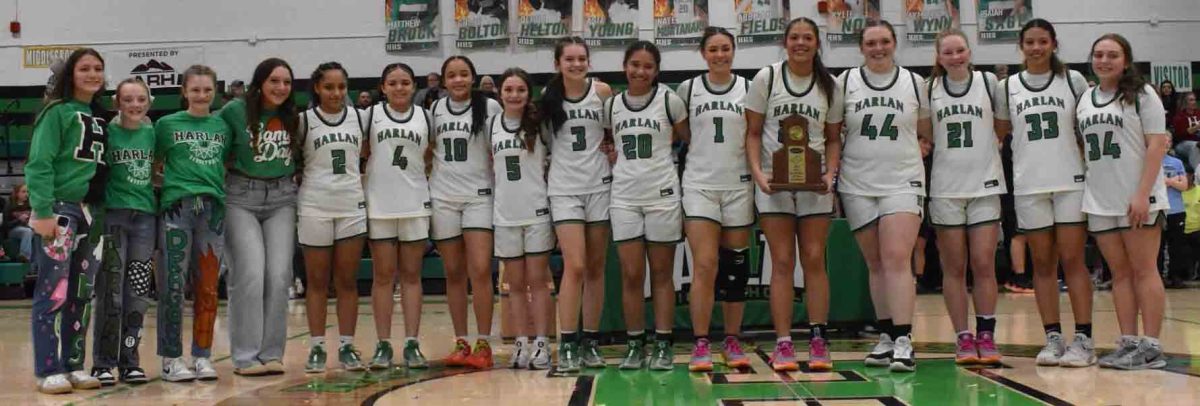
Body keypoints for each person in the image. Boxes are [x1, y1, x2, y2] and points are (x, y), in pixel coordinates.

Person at [994, 18, 1096, 367]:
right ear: (1021, 47)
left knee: (1073, 260)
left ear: (1054, 43)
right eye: (1030, 42)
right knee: (1042, 263)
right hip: (1029, 184)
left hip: (1069, 181)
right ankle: (1052, 336)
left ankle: (1084, 337)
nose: (1036, 48)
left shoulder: (1073, 80)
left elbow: (1088, 128)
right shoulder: (1007, 87)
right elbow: (1000, 133)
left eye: (1042, 42)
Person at [743, 18, 843, 372]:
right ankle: (784, 342)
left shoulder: (829, 85)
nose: (801, 43)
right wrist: (758, 173)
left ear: (817, 43)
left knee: (815, 259)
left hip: (814, 186)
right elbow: (753, 133)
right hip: (775, 185)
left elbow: (832, 138)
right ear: (785, 42)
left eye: (808, 38)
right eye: (794, 37)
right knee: (782, 262)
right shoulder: (766, 78)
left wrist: (830, 174)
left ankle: (818, 338)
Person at [834, 20, 928, 373]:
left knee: (895, 258)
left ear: (894, 43)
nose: (878, 48)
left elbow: (927, 129)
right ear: (861, 47)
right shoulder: (845, 83)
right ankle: (887, 336)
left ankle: (904, 339)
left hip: (902, 181)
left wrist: (921, 147)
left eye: (885, 41)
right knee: (875, 263)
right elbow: (832, 131)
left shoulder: (914, 83)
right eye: (871, 43)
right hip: (857, 182)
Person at [1079, 33, 1170, 370]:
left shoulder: (1142, 95)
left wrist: (1142, 193)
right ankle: (1129, 342)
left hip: (1137, 198)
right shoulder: (1086, 98)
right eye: (1099, 54)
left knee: (1144, 270)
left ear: (1126, 60)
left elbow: (1157, 145)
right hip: (1101, 199)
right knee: (1119, 274)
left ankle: (1152, 346)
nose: (1104, 60)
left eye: (1112, 55)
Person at [26, 48, 108, 394]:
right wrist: (42, 212)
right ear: (70, 75)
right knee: (53, 291)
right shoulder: (56, 112)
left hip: (92, 212)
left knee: (81, 292)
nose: (92, 74)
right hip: (59, 210)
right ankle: (48, 369)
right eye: (84, 68)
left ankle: (73, 364)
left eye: (98, 69)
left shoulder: (100, 116)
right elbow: (39, 163)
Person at [605, 41, 688, 371]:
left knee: (663, 274)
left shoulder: (670, 100)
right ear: (625, 66)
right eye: (634, 64)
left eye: (647, 66)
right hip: (624, 195)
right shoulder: (610, 105)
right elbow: (608, 141)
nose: (640, 71)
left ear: (656, 71)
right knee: (631, 274)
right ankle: (634, 343)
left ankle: (663, 343)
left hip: (661, 194)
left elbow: (686, 137)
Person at [924, 29, 1005, 365]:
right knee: (953, 267)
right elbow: (925, 135)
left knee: (984, 263)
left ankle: (986, 333)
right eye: (948, 52)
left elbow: (1001, 128)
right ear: (939, 57)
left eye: (960, 50)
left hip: (985, 184)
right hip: (945, 187)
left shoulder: (989, 83)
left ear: (969, 52)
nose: (955, 57)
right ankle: (962, 336)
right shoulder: (929, 89)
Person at [679, 27, 755, 373]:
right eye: (713, 49)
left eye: (725, 48)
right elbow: (683, 136)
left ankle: (732, 339)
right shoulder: (689, 89)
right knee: (706, 265)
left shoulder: (749, 89)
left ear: (734, 51)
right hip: (700, 185)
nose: (720, 54)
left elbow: (756, 134)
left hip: (738, 185)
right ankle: (700, 342)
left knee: (736, 268)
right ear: (703, 53)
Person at [218, 58, 299, 377]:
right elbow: (215, 148)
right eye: (274, 81)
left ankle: (272, 353)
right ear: (260, 82)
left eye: (287, 82)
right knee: (250, 274)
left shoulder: (292, 116)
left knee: (279, 276)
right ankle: (245, 355)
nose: (281, 87)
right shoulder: (234, 112)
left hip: (282, 197)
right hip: (240, 196)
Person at [539, 36, 613, 372]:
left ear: (589, 61)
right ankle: (567, 341)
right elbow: (539, 142)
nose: (576, 64)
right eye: (569, 59)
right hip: (565, 188)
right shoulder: (547, 97)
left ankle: (591, 341)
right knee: (576, 266)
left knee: (596, 268)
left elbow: (613, 135)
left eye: (581, 58)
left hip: (599, 186)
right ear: (557, 64)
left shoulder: (602, 93)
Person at [155, 64, 232, 382]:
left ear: (214, 92)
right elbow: (153, 164)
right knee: (172, 286)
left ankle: (202, 355)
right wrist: (172, 190)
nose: (201, 95)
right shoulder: (166, 125)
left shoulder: (223, 127)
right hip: (177, 210)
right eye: (195, 89)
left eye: (207, 90)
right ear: (184, 92)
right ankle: (171, 359)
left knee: (209, 288)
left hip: (212, 212)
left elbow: (225, 165)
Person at [431, 56, 503, 369]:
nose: (458, 80)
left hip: (479, 196)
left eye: (463, 74)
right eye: (452, 75)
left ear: (472, 77)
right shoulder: (433, 110)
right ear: (443, 81)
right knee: (454, 273)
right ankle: (461, 341)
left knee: (480, 270)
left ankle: (484, 343)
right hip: (443, 197)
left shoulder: (490, 108)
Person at [297, 62, 369, 373]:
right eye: (329, 87)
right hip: (314, 206)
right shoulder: (303, 121)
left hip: (351, 204)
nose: (336, 93)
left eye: (341, 87)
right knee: (316, 282)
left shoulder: (359, 117)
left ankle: (347, 346)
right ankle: (315, 347)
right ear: (317, 88)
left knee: (347, 282)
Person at [362, 62, 433, 369]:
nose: (400, 87)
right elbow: (362, 151)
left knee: (411, 277)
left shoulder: (426, 116)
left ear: (413, 86)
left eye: (405, 82)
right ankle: (382, 344)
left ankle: (412, 343)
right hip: (379, 205)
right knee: (382, 277)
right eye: (393, 82)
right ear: (383, 87)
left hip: (415, 203)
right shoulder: (369, 116)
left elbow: (431, 156)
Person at [90, 78, 156, 386]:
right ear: (118, 102)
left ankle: (130, 362)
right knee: (111, 293)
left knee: (138, 295)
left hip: (145, 220)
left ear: (149, 102)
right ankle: (103, 363)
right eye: (128, 99)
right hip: (114, 219)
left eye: (140, 99)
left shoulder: (153, 133)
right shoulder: (107, 133)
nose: (135, 105)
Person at [490, 68, 555, 370]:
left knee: (538, 282)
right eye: (508, 90)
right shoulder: (491, 124)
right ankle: (520, 341)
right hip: (505, 213)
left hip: (537, 211)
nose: (514, 95)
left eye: (520, 89)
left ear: (529, 93)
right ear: (500, 93)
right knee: (514, 284)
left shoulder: (539, 124)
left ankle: (542, 341)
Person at [1161, 152, 1189, 288]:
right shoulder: (1148, 160)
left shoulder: (1176, 162)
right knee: (1157, 247)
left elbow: (1184, 186)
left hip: (1176, 209)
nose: (1166, 143)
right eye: (1164, 140)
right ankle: (1158, 276)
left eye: (1169, 141)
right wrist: (1174, 181)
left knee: (1177, 245)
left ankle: (1175, 275)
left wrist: (1169, 181)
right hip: (1158, 209)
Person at [3, 184, 34, 262]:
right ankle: (24, 257)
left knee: (37, 233)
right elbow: (5, 225)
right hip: (13, 230)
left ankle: (35, 265)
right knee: (27, 231)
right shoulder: (9, 205)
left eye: (27, 192)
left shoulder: (30, 205)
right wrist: (19, 220)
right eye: (23, 192)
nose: (26, 194)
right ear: (17, 193)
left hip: (29, 228)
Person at [1172, 92, 1199, 169]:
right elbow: (1182, 134)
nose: (1194, 102)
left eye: (1194, 100)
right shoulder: (1179, 117)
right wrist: (1197, 126)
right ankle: (1198, 173)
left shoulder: (1198, 113)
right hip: (1182, 143)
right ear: (1185, 102)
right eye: (1191, 100)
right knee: (1196, 146)